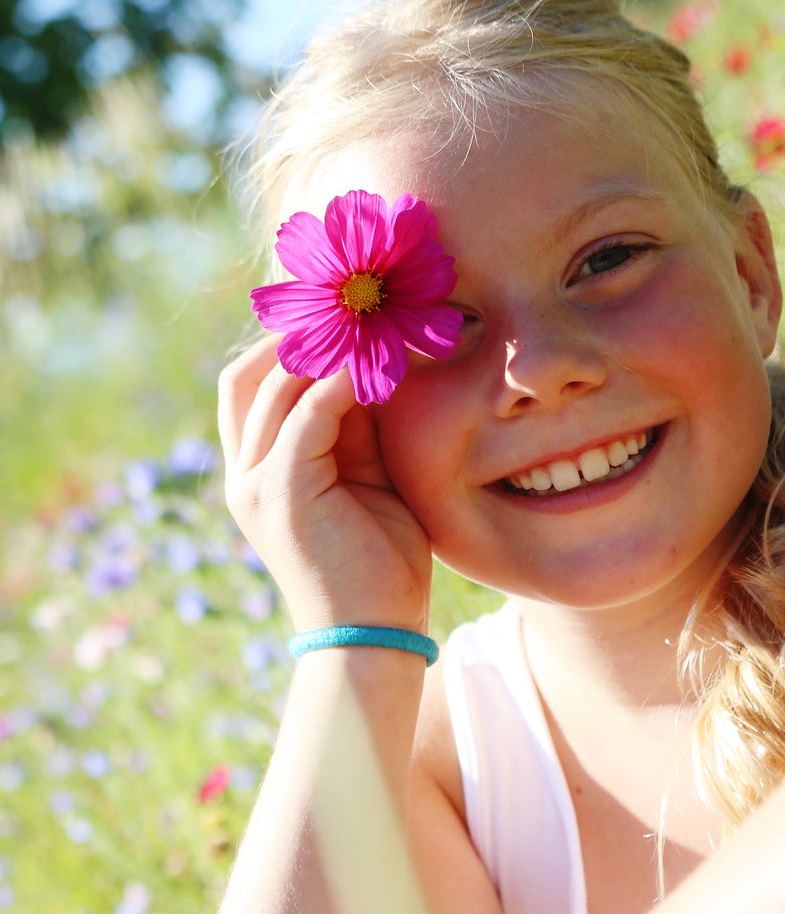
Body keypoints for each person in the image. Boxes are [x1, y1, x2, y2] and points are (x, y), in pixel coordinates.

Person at [213, 2, 785, 913]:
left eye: (608, 259)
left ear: (753, 276)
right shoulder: (446, 765)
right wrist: (354, 641)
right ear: (340, 411)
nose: (543, 370)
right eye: (440, 327)